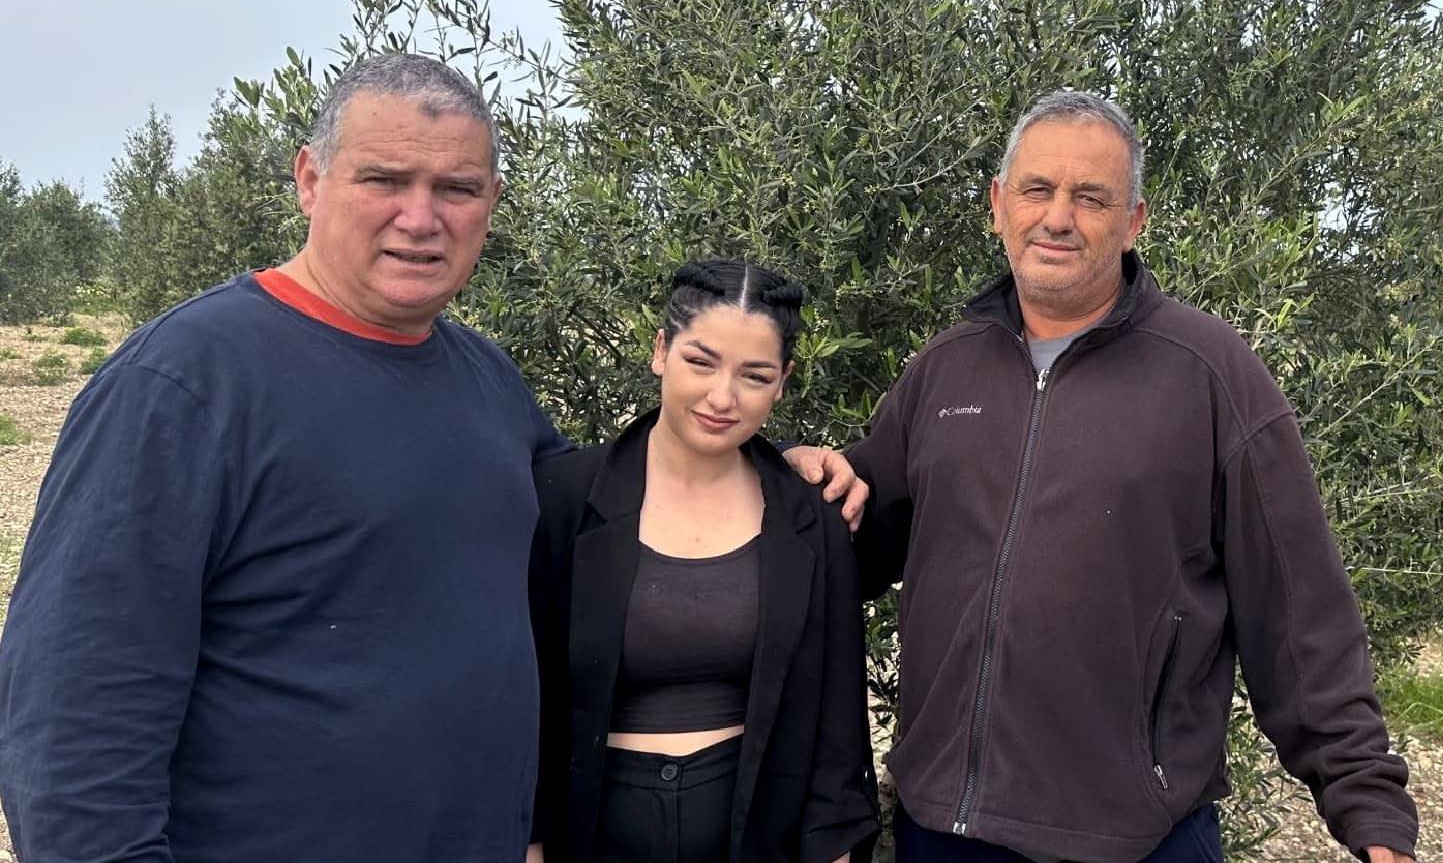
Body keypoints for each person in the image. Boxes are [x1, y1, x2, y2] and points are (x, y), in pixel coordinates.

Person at [0, 53, 866, 862]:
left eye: (455, 188)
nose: (421, 218)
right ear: (309, 178)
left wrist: (760, 458)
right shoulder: (187, 383)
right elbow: (72, 722)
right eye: (383, 179)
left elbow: (611, 493)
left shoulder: (482, 378)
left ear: (491, 201)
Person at [821, 90, 1419, 862]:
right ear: (999, 205)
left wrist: (1367, 805)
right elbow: (857, 538)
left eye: (1090, 197)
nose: (1058, 217)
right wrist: (790, 484)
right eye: (1037, 190)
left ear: (1133, 221)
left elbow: (1299, 610)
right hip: (946, 828)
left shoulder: (1210, 374)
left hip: (1139, 837)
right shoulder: (944, 370)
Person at [525, 259, 878, 863]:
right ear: (661, 350)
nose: (723, 397)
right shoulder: (562, 499)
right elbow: (528, 699)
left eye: (755, 375)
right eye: (701, 361)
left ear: (783, 380)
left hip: (759, 836)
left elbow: (836, 728)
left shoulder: (812, 518)